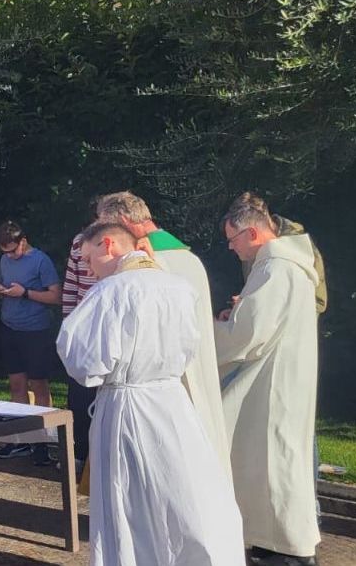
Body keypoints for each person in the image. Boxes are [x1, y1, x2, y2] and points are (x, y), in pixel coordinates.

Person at [57, 222, 244, 566]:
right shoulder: (178, 287)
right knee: (183, 490)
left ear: (108, 245)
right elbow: (191, 345)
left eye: (87, 258)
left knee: (129, 500)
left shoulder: (109, 292)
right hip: (173, 402)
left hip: (127, 406)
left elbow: (82, 360)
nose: (87, 268)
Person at [217, 194, 321, 566]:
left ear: (252, 233)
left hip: (273, 382)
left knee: (274, 463)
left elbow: (249, 333)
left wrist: (212, 331)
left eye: (233, 240)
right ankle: (272, 539)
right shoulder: (288, 264)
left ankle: (285, 546)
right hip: (285, 375)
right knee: (275, 460)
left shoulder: (275, 267)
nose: (231, 248)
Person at [96, 191, 228, 468]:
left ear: (122, 220)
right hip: (195, 365)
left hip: (157, 383)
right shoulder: (188, 258)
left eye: (104, 226)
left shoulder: (148, 263)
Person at [0, 220, 60, 463]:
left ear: (23, 241)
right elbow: (8, 285)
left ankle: (43, 442)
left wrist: (26, 293)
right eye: (4, 252)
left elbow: (56, 295)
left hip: (35, 331)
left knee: (38, 385)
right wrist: (0, 290)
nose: (9, 256)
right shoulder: (5, 260)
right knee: (16, 386)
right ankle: (20, 440)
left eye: (12, 250)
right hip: (10, 328)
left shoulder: (40, 260)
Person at [60, 229, 97, 476]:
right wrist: (68, 326)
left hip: (106, 326)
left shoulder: (130, 243)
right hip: (82, 327)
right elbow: (71, 285)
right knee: (79, 395)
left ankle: (98, 457)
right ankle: (80, 454)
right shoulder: (79, 242)